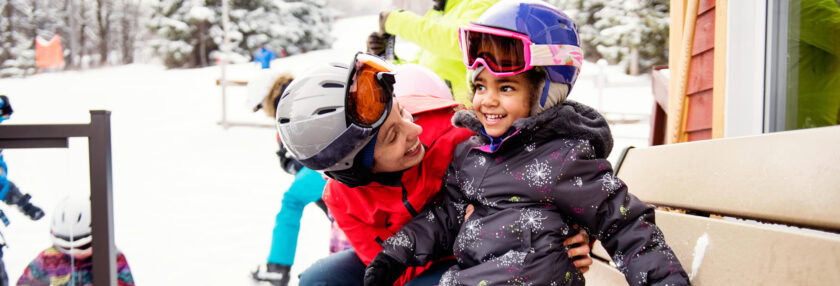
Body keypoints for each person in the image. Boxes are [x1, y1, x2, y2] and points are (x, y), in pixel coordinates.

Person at [363, 2, 689, 285]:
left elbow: (624, 224)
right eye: (479, 86)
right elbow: (445, 217)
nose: (486, 100)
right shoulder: (470, 154)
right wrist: (394, 255)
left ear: (544, 94)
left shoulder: (563, 157)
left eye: (506, 88)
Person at [275, 53, 594, 286]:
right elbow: (392, 269)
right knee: (321, 278)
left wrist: (574, 227)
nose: (413, 131)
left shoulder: (457, 133)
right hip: (416, 257)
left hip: (490, 255)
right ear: (358, 170)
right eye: (392, 137)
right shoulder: (343, 199)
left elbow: (550, 162)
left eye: (402, 113)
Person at [246, 71, 349, 286]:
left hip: (328, 165)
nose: (263, 112)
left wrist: (293, 162)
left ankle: (278, 268)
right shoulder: (298, 92)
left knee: (292, 201)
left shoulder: (287, 106)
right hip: (334, 163)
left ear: (266, 97)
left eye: (260, 107)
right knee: (338, 212)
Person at [367, 0, 498, 105]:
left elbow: (463, 42)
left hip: (468, 117)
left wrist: (396, 21)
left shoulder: (483, 3)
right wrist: (384, 56)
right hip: (436, 116)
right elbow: (422, 69)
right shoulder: (436, 15)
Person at [16, 196, 134, 286]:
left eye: (83, 246)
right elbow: (26, 282)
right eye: (66, 247)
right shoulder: (48, 258)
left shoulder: (112, 258)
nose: (75, 252)